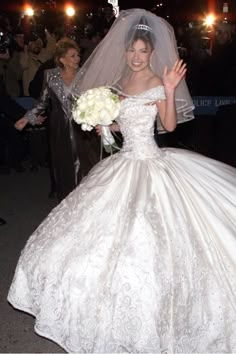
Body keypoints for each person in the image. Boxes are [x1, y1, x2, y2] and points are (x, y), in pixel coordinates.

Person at [8, 9, 236, 353]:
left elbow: (169, 127)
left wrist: (170, 89)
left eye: (142, 52)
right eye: (132, 51)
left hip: (152, 163)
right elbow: (121, 123)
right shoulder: (121, 82)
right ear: (125, 51)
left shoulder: (158, 82)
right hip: (123, 161)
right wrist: (103, 123)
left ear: (152, 54)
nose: (135, 57)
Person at [15, 37, 100, 201]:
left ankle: (87, 201)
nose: (78, 59)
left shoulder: (85, 75)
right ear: (62, 59)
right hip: (59, 128)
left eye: (78, 55)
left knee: (86, 165)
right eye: (73, 56)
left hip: (82, 128)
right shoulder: (50, 76)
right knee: (64, 166)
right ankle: (67, 201)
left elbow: (94, 100)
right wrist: (26, 119)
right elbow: (42, 102)